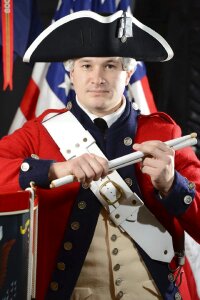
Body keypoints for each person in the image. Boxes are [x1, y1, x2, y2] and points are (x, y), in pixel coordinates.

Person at [0, 10, 200, 300]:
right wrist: (56, 170)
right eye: (86, 65)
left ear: (129, 72)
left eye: (110, 66)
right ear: (71, 72)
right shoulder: (39, 133)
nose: (97, 77)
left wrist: (172, 184)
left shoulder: (164, 133)